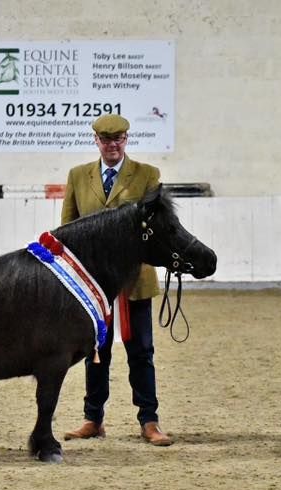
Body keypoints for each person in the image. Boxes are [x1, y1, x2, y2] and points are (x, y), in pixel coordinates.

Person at [60, 113, 172, 446]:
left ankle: (148, 420)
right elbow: (68, 229)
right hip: (93, 286)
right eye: (106, 140)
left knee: (142, 351)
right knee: (96, 352)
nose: (112, 145)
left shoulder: (148, 175)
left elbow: (154, 228)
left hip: (134, 280)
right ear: (96, 141)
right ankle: (93, 418)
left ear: (126, 140)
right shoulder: (79, 176)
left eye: (119, 139)